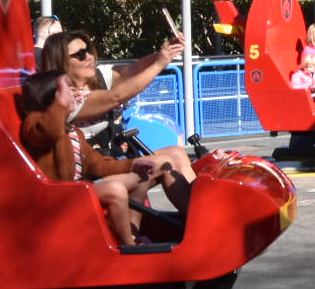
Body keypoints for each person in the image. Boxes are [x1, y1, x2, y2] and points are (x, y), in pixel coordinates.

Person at [39, 29, 195, 212]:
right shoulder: (67, 99)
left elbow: (133, 70)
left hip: (115, 158)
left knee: (176, 152)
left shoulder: (97, 77)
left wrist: (165, 52)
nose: (89, 56)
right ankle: (200, 221)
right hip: (94, 173)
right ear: (61, 62)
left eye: (88, 49)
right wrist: (161, 62)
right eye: (80, 55)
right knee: (165, 162)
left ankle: (201, 212)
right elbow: (116, 96)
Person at [19, 70, 161, 246]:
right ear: (51, 96)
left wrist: (132, 165)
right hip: (59, 195)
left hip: (77, 190)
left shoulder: (72, 131)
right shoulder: (35, 123)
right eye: (67, 90)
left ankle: (133, 234)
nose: (74, 94)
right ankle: (128, 246)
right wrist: (61, 103)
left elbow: (97, 163)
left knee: (141, 178)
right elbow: (49, 132)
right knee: (114, 189)